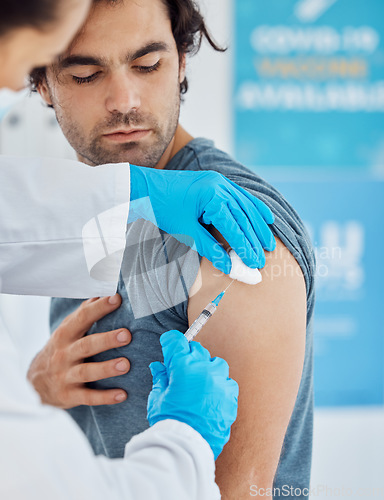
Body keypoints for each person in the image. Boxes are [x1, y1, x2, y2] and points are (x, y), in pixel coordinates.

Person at [28, 0, 316, 498]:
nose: (126, 100)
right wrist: (37, 395)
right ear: (41, 83)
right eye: (86, 74)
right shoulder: (78, 207)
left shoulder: (233, 229)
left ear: (182, 60)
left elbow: (242, 493)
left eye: (148, 65)